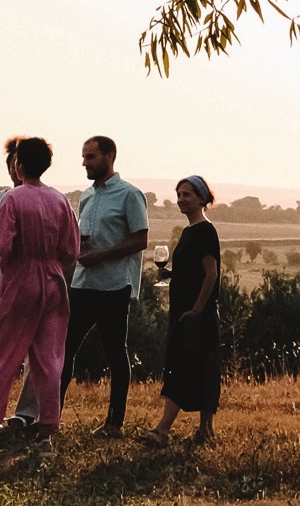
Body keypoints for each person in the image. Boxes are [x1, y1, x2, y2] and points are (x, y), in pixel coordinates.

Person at [0, 137, 80, 457]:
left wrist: (12, 266)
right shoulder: (60, 200)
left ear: (19, 164)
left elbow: (3, 249)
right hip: (53, 282)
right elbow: (71, 250)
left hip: (20, 281)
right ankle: (45, 435)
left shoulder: (12, 199)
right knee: (49, 359)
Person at [60, 135, 149, 437]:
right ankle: (50, 419)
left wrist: (103, 255)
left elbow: (141, 240)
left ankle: (114, 423)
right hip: (82, 284)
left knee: (114, 352)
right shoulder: (86, 196)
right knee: (65, 349)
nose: (85, 162)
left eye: (91, 157)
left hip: (113, 287)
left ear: (109, 156)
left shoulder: (130, 195)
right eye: (84, 157)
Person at [142, 175, 221, 447]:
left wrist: (197, 310)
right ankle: (205, 431)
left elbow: (211, 275)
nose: (181, 199)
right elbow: (193, 272)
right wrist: (172, 274)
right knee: (200, 368)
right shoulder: (189, 231)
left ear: (201, 198)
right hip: (185, 313)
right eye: (179, 194)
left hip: (196, 315)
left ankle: (162, 430)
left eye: (187, 194)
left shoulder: (205, 231)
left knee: (183, 368)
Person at [0, 136, 40, 429]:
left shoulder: (45, 198)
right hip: (3, 278)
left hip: (29, 277)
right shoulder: (0, 198)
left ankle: (26, 412)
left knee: (36, 348)